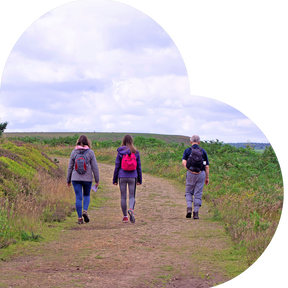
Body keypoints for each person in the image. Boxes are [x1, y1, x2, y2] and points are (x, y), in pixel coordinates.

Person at [67, 135, 99, 224]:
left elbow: (70, 167)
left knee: (78, 197)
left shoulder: (74, 152)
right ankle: (85, 210)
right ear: (88, 142)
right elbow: (95, 167)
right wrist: (97, 179)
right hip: (87, 178)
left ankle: (79, 218)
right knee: (86, 195)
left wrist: (68, 180)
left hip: (75, 178)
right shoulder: (90, 152)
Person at [113, 135, 142, 223]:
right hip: (133, 176)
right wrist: (139, 179)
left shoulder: (120, 152)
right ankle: (131, 209)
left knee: (123, 196)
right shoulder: (136, 152)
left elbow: (117, 166)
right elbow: (139, 167)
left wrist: (115, 179)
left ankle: (125, 216)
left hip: (122, 176)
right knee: (132, 195)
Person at [182, 135, 209, 219]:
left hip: (190, 174)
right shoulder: (203, 151)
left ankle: (189, 208)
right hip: (201, 174)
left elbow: (184, 162)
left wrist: (190, 170)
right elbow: (207, 166)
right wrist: (207, 178)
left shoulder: (187, 150)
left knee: (189, 192)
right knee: (198, 193)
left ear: (191, 142)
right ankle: (196, 213)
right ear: (199, 142)